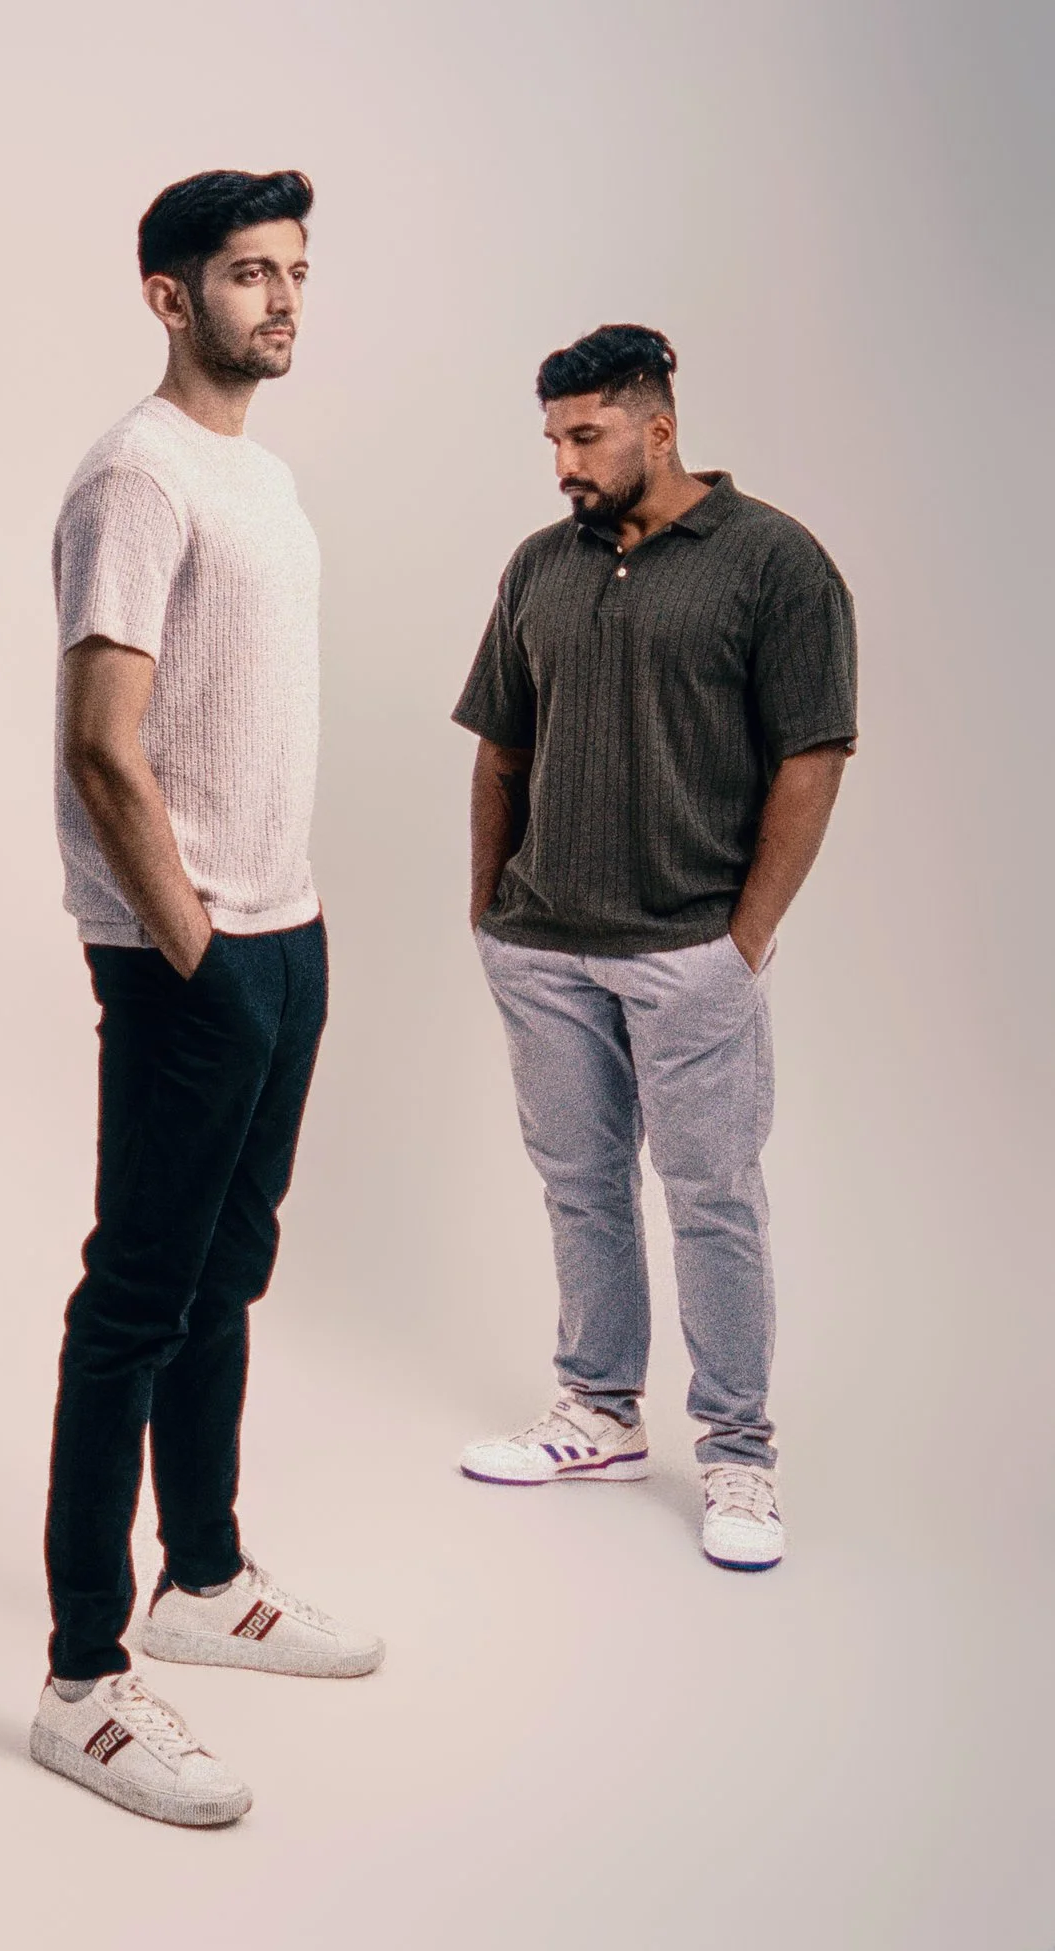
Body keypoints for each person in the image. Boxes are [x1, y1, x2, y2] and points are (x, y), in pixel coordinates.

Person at [27, 170, 385, 1831]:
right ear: (172, 297)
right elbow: (103, 739)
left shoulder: (264, 475)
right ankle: (87, 1677)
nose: (285, 299)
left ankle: (206, 1572)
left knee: (229, 1268)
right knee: (136, 1299)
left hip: (284, 932)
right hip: (197, 952)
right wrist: (192, 941)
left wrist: (275, 937)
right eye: (251, 274)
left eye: (297, 271)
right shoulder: (137, 475)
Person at [453, 324, 857, 1573]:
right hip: (544, 946)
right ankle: (599, 1411)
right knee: (579, 1184)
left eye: (586, 436)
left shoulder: (772, 563)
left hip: (691, 952)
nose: (564, 463)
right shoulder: (539, 565)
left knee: (712, 1200)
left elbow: (813, 754)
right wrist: (490, 912)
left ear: (658, 429)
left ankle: (737, 1455)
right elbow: (499, 746)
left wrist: (743, 940)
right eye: (553, 440)